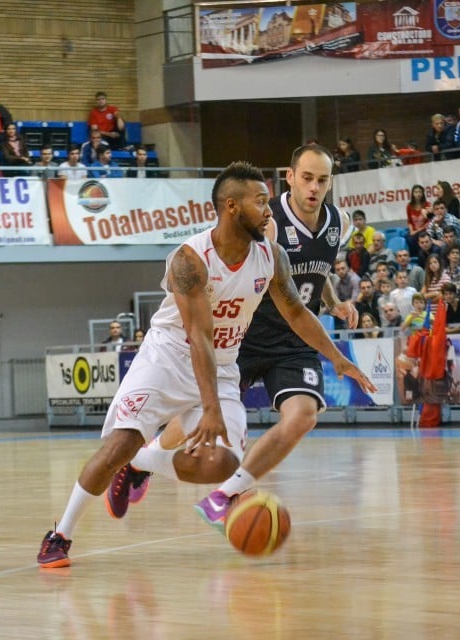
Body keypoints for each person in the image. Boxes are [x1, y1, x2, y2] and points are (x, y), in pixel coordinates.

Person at [35, 160, 373, 568]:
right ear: (231, 207)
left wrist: (337, 359)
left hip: (224, 364)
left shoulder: (272, 257)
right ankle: (60, 534)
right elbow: (198, 336)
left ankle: (143, 463)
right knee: (117, 447)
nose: (269, 212)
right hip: (167, 358)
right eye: (260, 202)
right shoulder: (190, 259)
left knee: (221, 464)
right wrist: (209, 408)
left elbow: (298, 314)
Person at [125, 145, 362, 527]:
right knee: (197, 419)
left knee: (303, 416)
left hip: (293, 342)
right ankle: (146, 459)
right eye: (307, 178)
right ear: (290, 176)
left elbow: (318, 273)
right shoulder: (266, 219)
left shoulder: (339, 221)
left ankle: (225, 495)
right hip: (246, 336)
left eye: (322, 180)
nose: (315, 187)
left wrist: (332, 303)